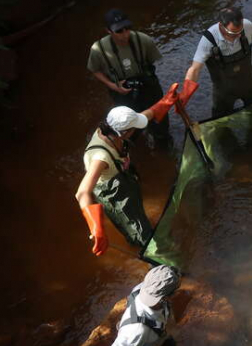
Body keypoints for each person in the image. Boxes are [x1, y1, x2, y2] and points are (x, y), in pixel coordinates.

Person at [76, 90, 179, 256]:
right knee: (139, 232)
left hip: (123, 178)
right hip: (114, 193)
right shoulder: (100, 157)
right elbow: (82, 193)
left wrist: (165, 101)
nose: (138, 130)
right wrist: (97, 229)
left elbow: (146, 116)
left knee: (139, 214)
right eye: (134, 129)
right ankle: (153, 253)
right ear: (124, 133)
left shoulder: (111, 128)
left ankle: (142, 232)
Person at [87, 9, 171, 147]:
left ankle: (163, 148)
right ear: (108, 31)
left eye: (128, 28)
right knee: (128, 130)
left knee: (160, 124)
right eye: (119, 31)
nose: (125, 34)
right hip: (121, 93)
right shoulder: (98, 49)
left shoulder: (143, 40)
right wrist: (112, 85)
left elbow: (152, 62)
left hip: (149, 89)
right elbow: (94, 70)